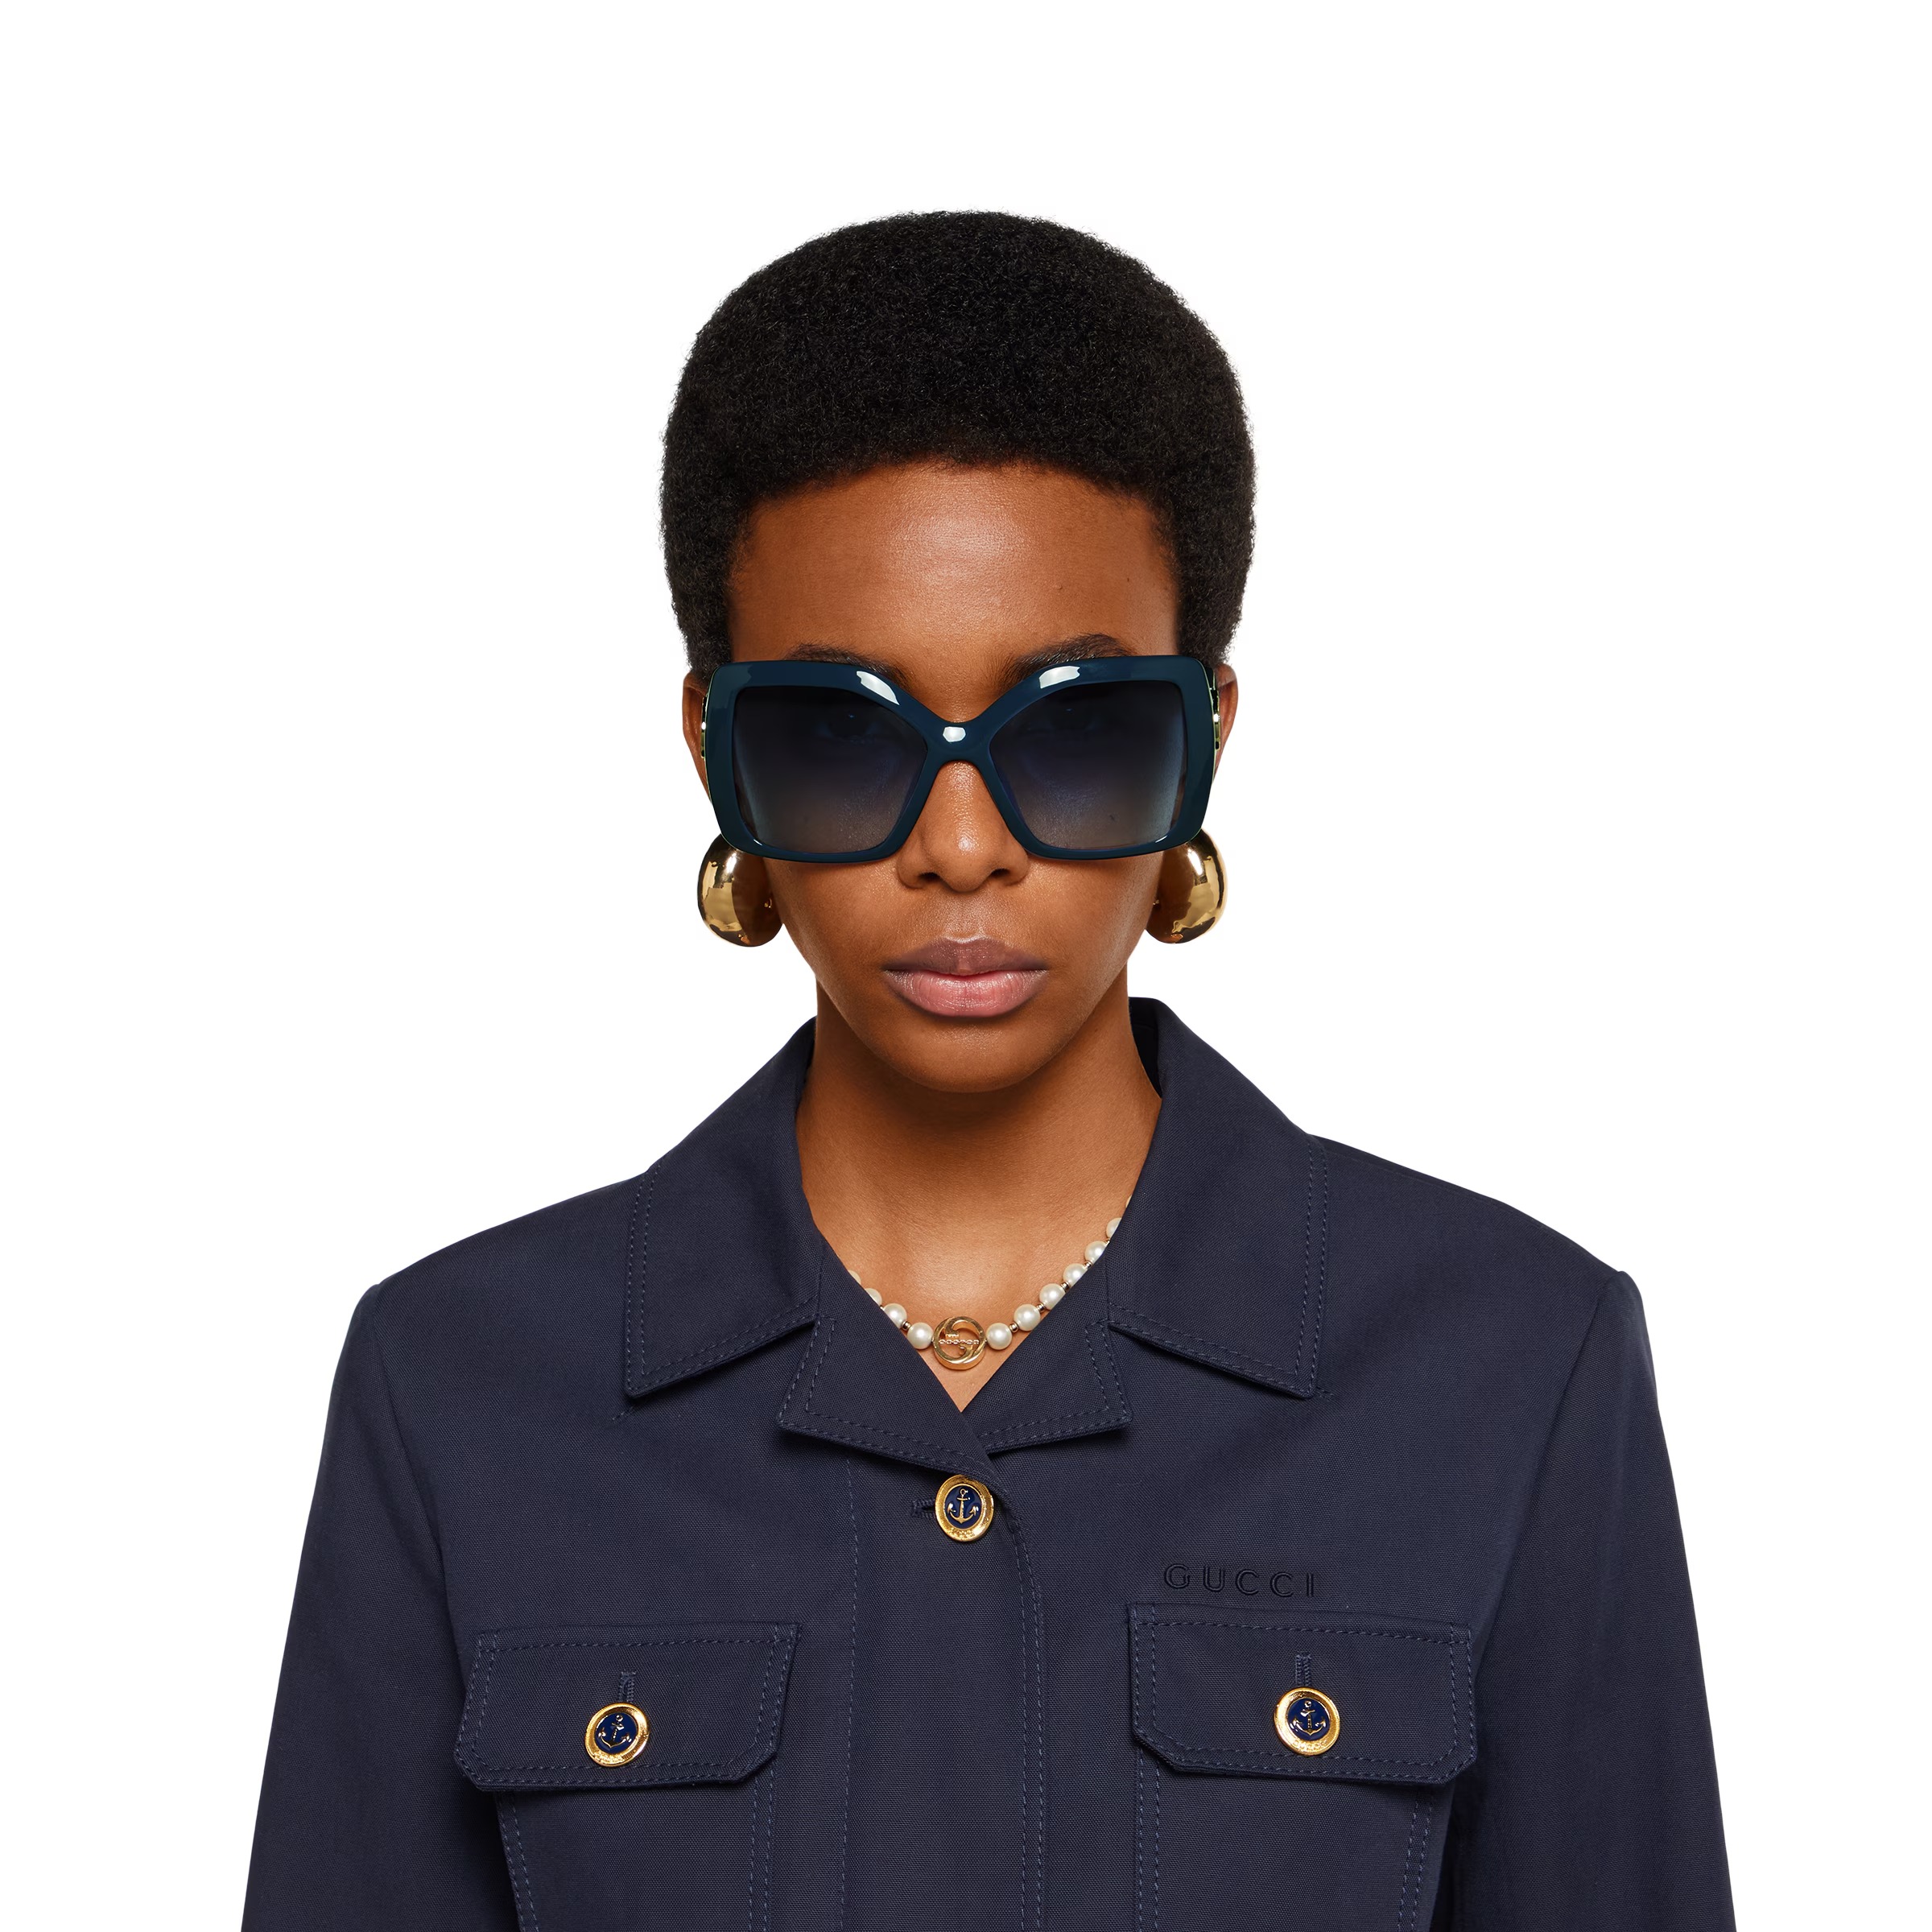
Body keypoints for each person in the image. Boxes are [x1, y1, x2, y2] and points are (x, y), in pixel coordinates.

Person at [243, 213, 1734, 1931]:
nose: (962, 845)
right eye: (840, 738)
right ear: (718, 755)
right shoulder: (458, 1387)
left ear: (1203, 741)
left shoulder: (1512, 1366)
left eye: (1076, 733)